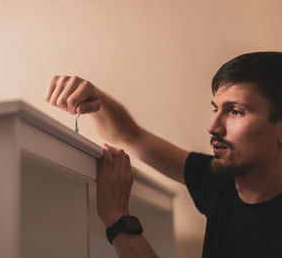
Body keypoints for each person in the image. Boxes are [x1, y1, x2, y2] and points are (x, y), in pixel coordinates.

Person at [45, 52, 282, 258]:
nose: (213, 127)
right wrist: (95, 99)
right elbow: (131, 137)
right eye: (216, 109)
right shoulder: (221, 181)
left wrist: (118, 219)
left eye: (235, 111)